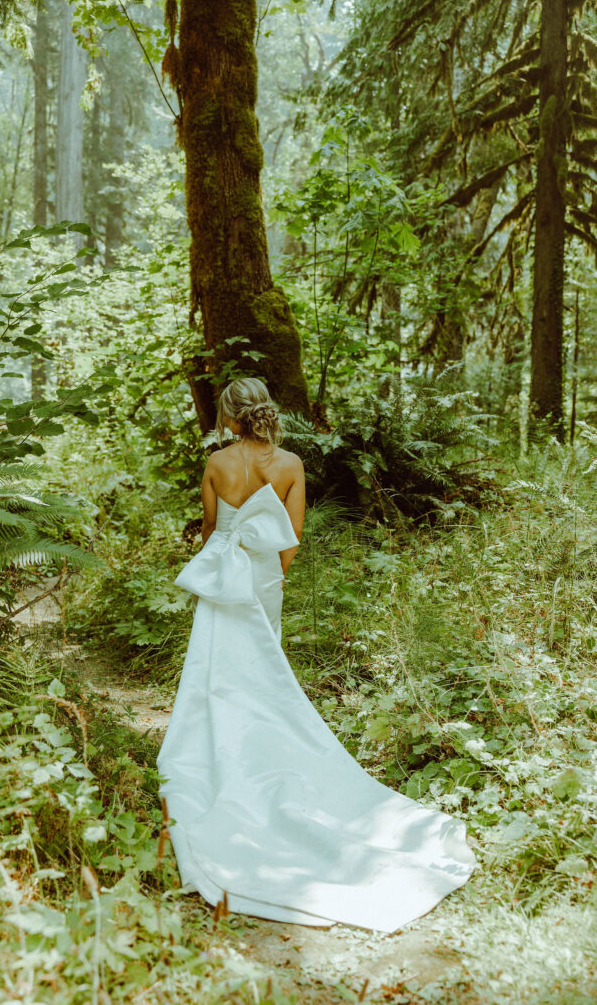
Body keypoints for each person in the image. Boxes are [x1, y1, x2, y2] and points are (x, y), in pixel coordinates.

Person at [157, 378, 475, 931]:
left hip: (223, 580)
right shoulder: (292, 463)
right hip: (261, 582)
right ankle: (267, 749)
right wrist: (268, 583)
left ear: (229, 417)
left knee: (217, 672)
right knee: (266, 674)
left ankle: (220, 753)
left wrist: (222, 568)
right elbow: (291, 538)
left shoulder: (216, 464)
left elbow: (211, 530)